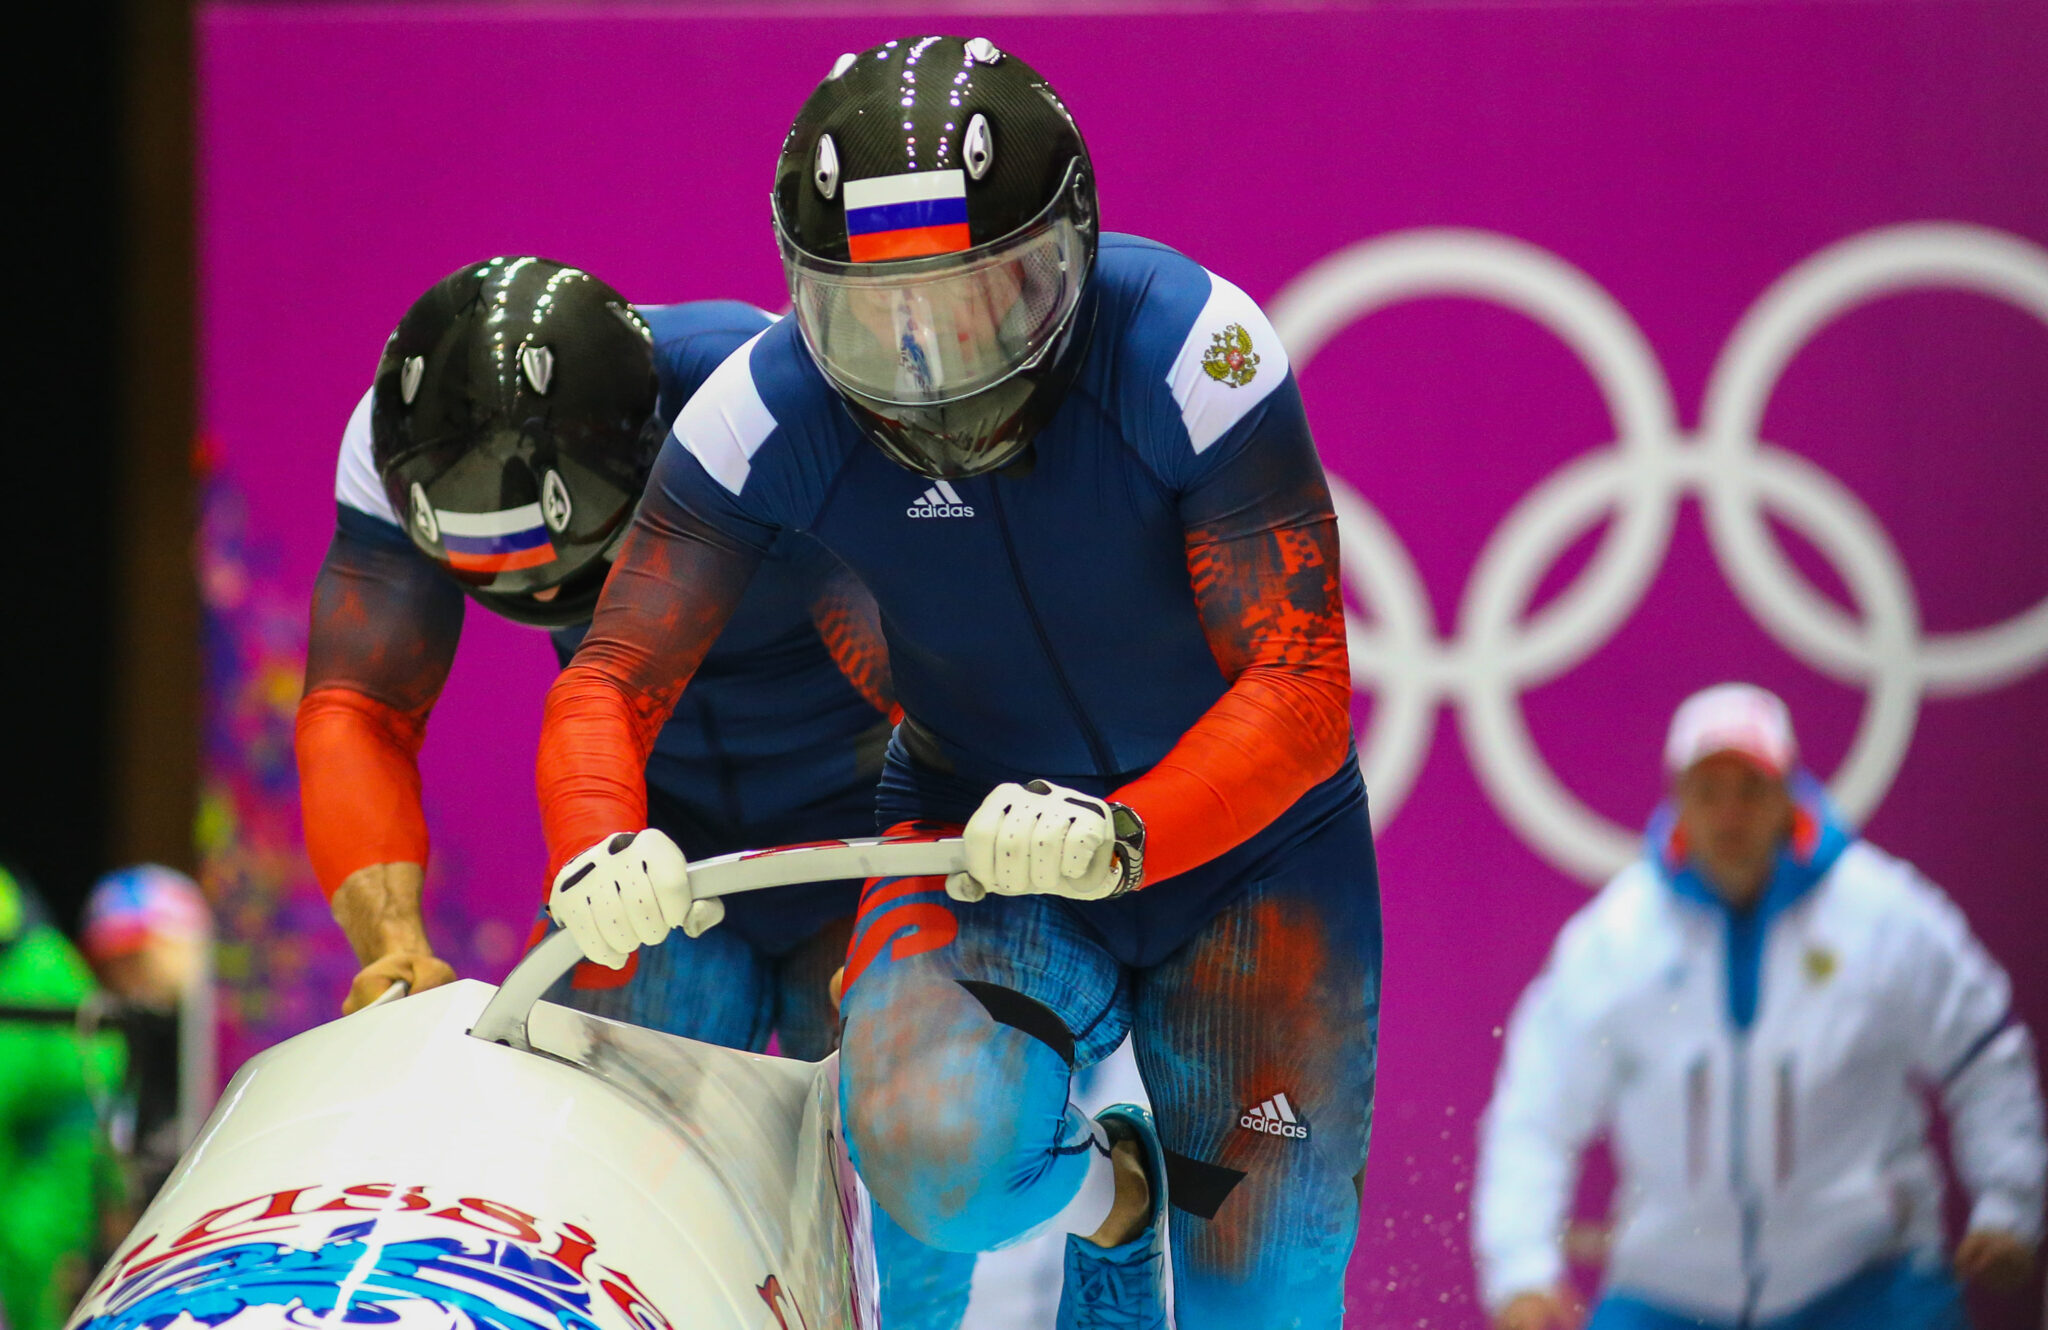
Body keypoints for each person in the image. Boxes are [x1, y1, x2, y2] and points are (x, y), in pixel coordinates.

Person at [534, 36, 1381, 1330]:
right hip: (973, 831)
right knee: (937, 1158)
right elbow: (610, 676)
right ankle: (1120, 1198)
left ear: (1073, 255)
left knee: (1260, 1290)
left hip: (1251, 864)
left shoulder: (1195, 351)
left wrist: (1129, 829)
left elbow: (1304, 679)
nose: (930, 358)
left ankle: (1185, 1205)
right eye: (876, 319)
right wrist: (597, 840)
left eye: (982, 297)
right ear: (807, 300)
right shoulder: (762, 414)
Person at [293, 256, 895, 1061]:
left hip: (871, 825)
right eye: (497, 561)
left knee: (911, 1126)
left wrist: (916, 880)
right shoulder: (393, 443)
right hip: (647, 838)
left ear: (642, 452)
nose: (538, 593)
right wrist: (392, 948)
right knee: (598, 1141)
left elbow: (926, 665)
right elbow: (357, 710)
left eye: (558, 550)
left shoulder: (764, 401)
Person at [1474, 683, 2047, 1330]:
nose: (1730, 815)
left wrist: (2009, 1205)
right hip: (1668, 1293)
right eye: (1708, 793)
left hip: (1868, 1282)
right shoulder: (1616, 941)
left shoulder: (1883, 918)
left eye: (1751, 790)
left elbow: (1983, 1056)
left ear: (1789, 795)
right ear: (1677, 801)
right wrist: (1518, 1271)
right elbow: (1538, 1107)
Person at [0, 865, 125, 1330]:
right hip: (38, 1147)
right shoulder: (41, 959)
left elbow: (12, 1079)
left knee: (36, 1258)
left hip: (57, 1149)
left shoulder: (34, 965)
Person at [79, 863, 213, 1206]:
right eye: (113, 962)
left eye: (139, 956)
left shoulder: (226, 1030)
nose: (128, 977)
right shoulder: (107, 1029)